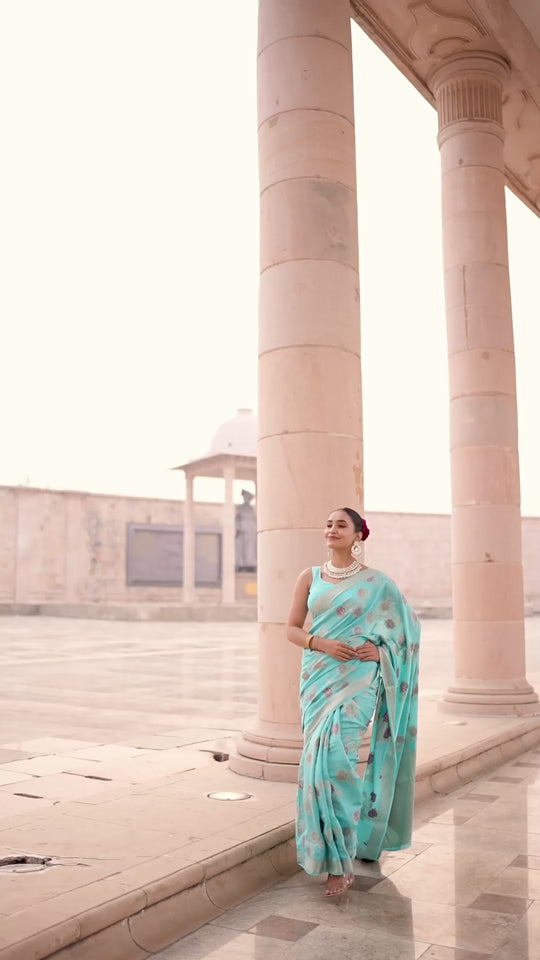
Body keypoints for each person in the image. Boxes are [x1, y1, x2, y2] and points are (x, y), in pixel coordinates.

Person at [286, 507, 420, 898]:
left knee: (337, 763)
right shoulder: (308, 577)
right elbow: (291, 629)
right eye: (327, 523)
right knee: (315, 764)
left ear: (358, 534)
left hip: (357, 684)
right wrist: (321, 642)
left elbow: (407, 632)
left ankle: (340, 863)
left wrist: (380, 654)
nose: (331, 529)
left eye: (340, 525)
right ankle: (323, 855)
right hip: (317, 679)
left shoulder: (378, 584)